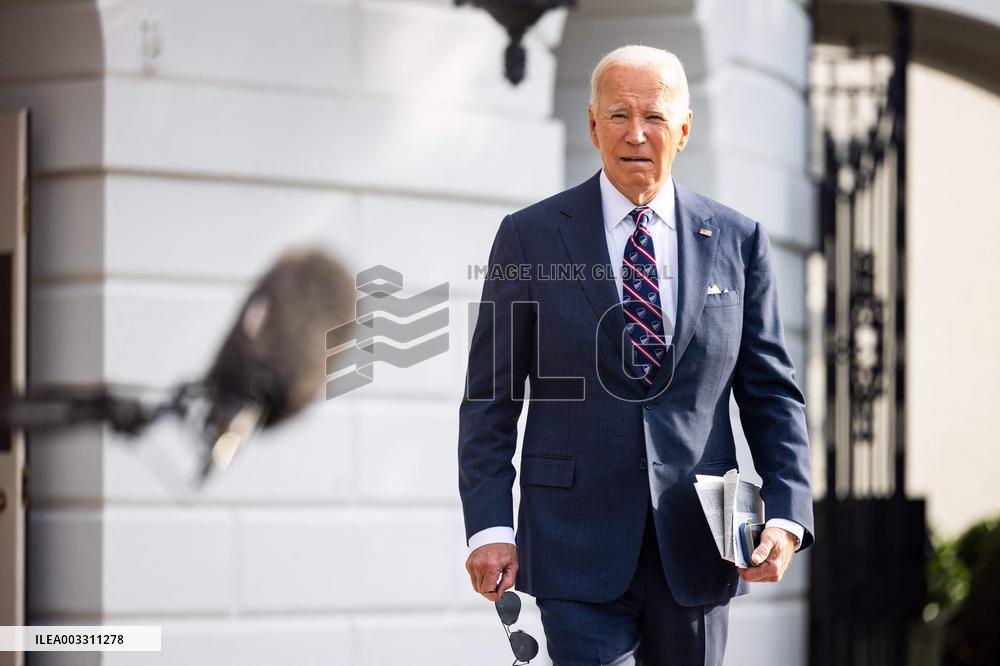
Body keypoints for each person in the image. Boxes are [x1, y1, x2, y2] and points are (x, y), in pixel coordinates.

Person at [458, 44, 813, 666]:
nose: (636, 134)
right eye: (617, 115)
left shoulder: (739, 240)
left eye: (653, 115)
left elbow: (771, 395)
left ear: (684, 127)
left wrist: (785, 516)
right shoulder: (530, 235)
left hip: (700, 543)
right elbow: (491, 398)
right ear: (592, 126)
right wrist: (490, 528)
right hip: (573, 543)